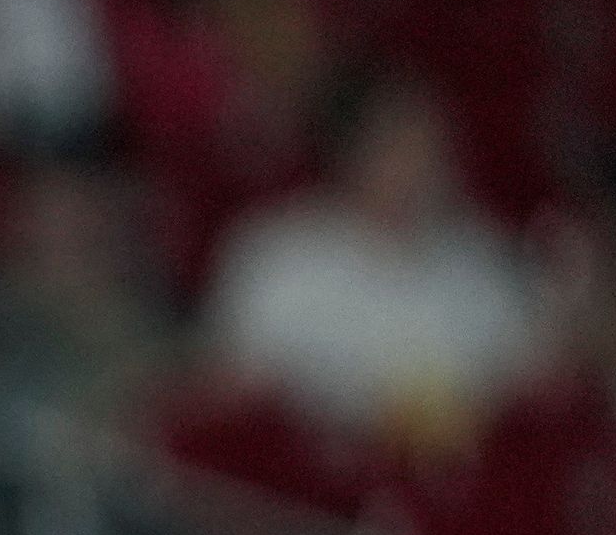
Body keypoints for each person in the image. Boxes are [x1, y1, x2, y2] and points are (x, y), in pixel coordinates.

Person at [202, 77, 539, 450]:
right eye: (396, 145)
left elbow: (527, 389)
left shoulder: (479, 262)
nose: (416, 166)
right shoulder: (278, 257)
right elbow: (233, 398)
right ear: (353, 153)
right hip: (319, 481)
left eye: (427, 147)